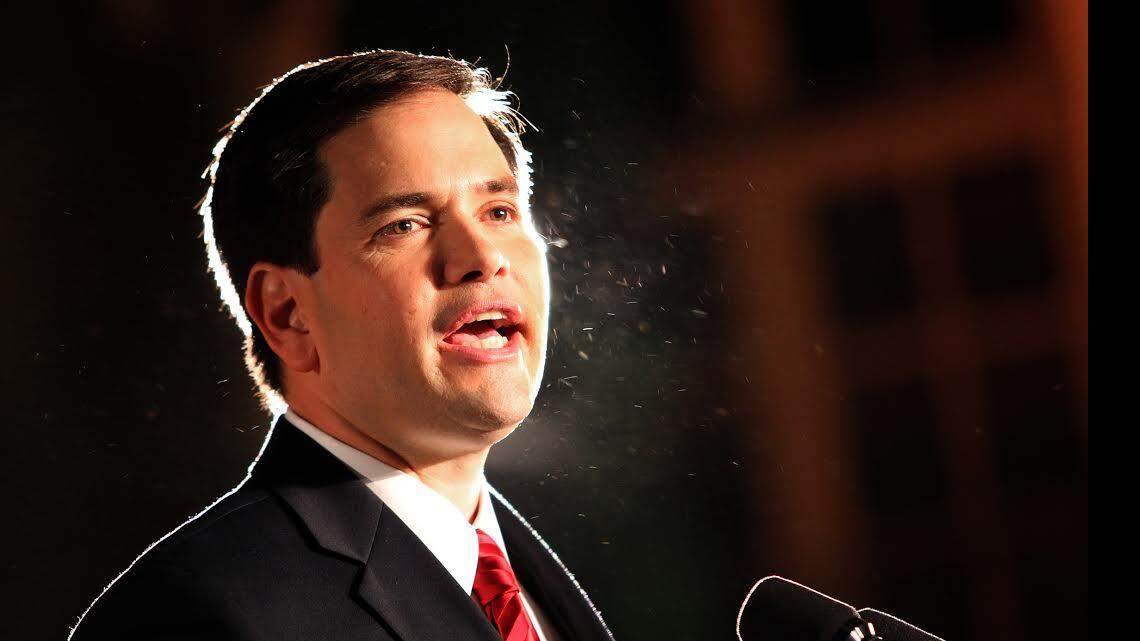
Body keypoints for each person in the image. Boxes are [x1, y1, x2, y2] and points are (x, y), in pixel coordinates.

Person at [70, 49, 615, 641]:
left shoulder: (542, 589)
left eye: (499, 211)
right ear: (288, 313)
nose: (482, 257)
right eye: (404, 224)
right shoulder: (190, 615)